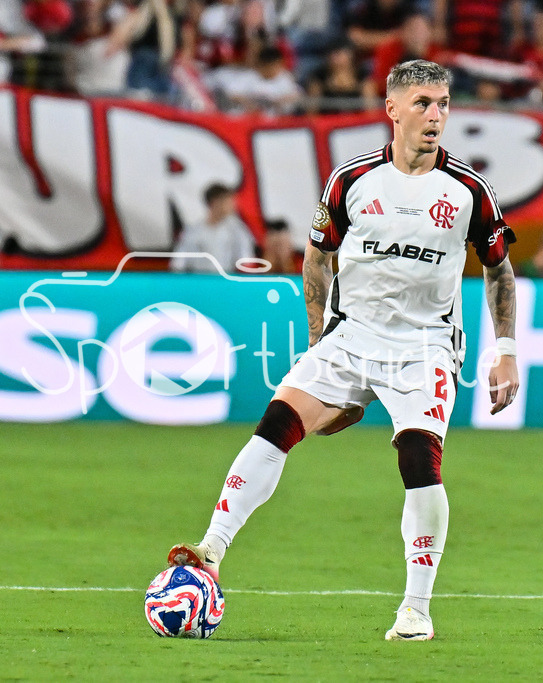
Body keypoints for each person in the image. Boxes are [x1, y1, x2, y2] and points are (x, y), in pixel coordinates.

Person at [167, 59, 519, 641]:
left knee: (418, 460)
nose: (436, 115)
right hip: (351, 335)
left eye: (444, 104)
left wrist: (505, 348)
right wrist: (316, 340)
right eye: (424, 103)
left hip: (424, 345)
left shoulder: (467, 191)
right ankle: (212, 549)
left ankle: (416, 609)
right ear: (393, 110)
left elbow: (500, 272)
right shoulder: (351, 181)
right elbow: (315, 257)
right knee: (276, 423)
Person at [169, 183, 255, 273]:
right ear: (215, 202)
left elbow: (247, 261)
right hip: (199, 282)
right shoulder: (193, 232)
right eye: (228, 201)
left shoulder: (237, 230)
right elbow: (178, 264)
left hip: (227, 283)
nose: (233, 205)